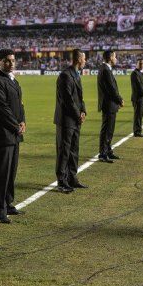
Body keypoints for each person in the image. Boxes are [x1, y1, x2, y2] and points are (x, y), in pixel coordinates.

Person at [0, 48, 26, 224]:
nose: (10, 63)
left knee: (11, 172)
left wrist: (22, 120)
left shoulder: (13, 80)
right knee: (0, 173)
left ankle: (7, 203)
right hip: (1, 134)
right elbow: (2, 108)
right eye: (7, 61)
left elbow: (19, 105)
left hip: (13, 133)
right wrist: (16, 125)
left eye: (12, 60)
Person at [54, 49, 87, 193]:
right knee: (64, 151)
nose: (85, 61)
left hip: (74, 119)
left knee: (74, 150)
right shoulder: (65, 75)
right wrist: (77, 114)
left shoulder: (75, 74)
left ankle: (72, 178)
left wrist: (83, 111)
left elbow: (79, 98)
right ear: (79, 59)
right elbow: (67, 100)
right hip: (66, 120)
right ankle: (62, 181)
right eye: (84, 59)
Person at [97, 50, 124, 163]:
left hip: (109, 104)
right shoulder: (105, 70)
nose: (116, 58)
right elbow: (111, 89)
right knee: (107, 129)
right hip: (109, 104)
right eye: (115, 56)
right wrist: (120, 100)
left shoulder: (105, 69)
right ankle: (103, 153)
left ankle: (108, 151)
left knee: (109, 129)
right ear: (110, 57)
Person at [130, 59, 143, 137]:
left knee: (140, 115)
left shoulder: (141, 73)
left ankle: (138, 130)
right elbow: (138, 86)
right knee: (138, 115)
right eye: (140, 63)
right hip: (138, 98)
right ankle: (137, 132)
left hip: (142, 97)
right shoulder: (134, 73)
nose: (142, 65)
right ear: (137, 64)